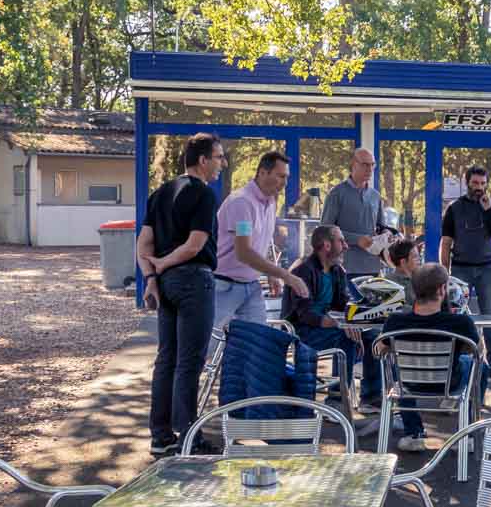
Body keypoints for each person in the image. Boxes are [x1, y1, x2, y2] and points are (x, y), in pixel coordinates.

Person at [138, 134, 224, 456]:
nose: (221, 164)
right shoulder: (203, 193)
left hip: (167, 286)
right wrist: (162, 264)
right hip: (193, 282)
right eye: (218, 157)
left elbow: (143, 243)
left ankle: (161, 437)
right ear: (203, 160)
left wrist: (152, 276)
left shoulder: (160, 193)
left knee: (166, 360)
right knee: (189, 362)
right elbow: (194, 245)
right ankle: (190, 439)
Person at [373, 263, 484, 452]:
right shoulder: (460, 322)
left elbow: (377, 351)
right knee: (480, 365)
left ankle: (414, 433)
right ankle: (466, 435)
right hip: (449, 384)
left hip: (409, 384)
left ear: (414, 291)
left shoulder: (395, 321)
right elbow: (478, 351)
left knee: (395, 362)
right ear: (442, 290)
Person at [280, 224, 377, 412]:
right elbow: (305, 315)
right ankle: (336, 400)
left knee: (373, 335)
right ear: (326, 245)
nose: (346, 246)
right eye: (341, 241)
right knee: (346, 336)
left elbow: (344, 305)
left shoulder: (337, 271)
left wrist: (361, 318)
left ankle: (371, 398)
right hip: (302, 331)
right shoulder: (303, 270)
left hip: (326, 327)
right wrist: (341, 324)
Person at [214, 148, 310, 328]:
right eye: (281, 176)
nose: (285, 183)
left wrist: (269, 273)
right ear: (262, 173)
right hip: (224, 286)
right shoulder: (242, 202)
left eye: (287, 177)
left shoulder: (270, 201)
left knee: (256, 345)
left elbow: (258, 245)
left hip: (251, 286)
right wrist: (284, 275)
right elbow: (244, 252)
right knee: (207, 347)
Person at [439, 165, 491, 316]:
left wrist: (488, 211)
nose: (479, 187)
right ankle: (459, 340)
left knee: (490, 313)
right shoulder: (454, 208)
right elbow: (446, 242)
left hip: (487, 269)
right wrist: (445, 271)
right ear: (467, 183)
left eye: (483, 183)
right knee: (456, 313)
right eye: (475, 183)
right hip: (460, 269)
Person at [321, 146, 388, 276]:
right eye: (365, 164)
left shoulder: (375, 196)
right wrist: (356, 239)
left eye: (372, 165)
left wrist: (386, 234)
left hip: (372, 267)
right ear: (353, 164)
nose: (369, 169)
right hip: (344, 267)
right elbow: (325, 230)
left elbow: (381, 226)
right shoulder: (336, 194)